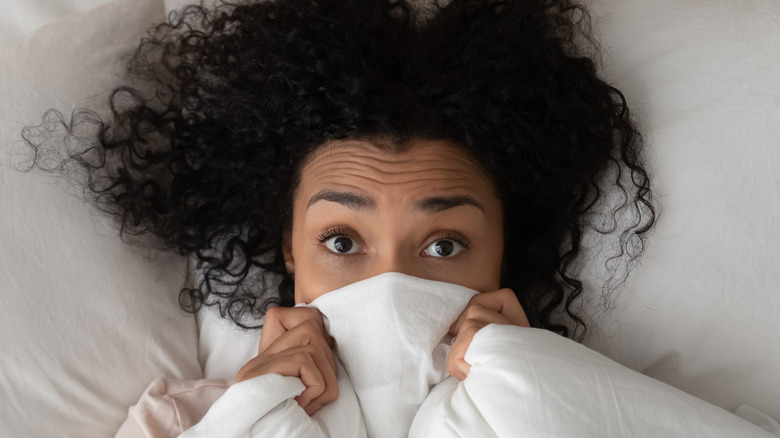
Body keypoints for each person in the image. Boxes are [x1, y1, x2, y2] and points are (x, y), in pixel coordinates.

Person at [23, 0, 655, 432]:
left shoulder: (601, 408)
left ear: (501, 259)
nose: (388, 284)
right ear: (291, 248)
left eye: (444, 246)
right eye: (343, 239)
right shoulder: (184, 423)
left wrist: (545, 393)